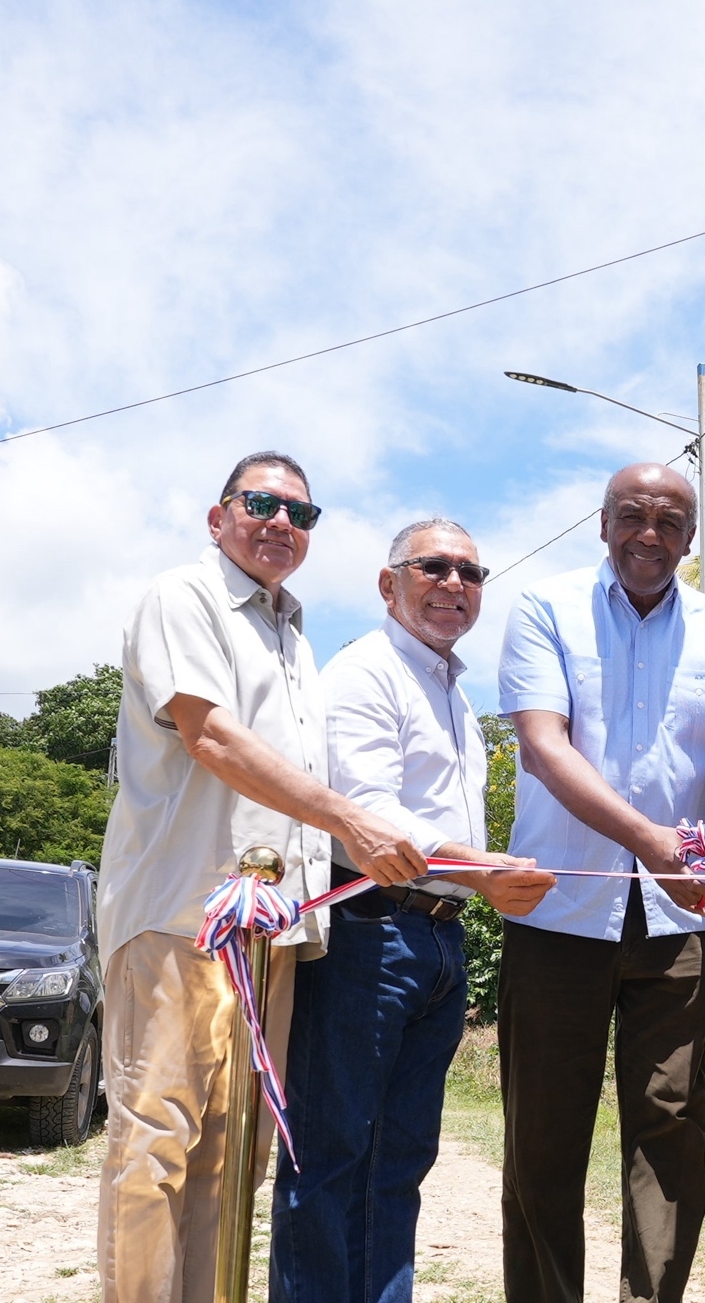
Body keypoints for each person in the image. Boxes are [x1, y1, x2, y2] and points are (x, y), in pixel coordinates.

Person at [96, 452, 429, 1303]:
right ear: (219, 517)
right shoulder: (185, 598)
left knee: (232, 1151)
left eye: (301, 515)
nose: (281, 523)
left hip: (271, 934)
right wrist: (349, 822)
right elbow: (211, 738)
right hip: (180, 918)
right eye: (261, 504)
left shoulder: (292, 636)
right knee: (156, 1147)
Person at [496, 461, 705, 1303]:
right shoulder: (545, 608)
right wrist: (650, 840)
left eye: (667, 521)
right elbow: (546, 748)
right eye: (630, 516)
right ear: (603, 521)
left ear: (690, 539)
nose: (647, 534)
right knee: (541, 1139)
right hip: (556, 913)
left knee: (669, 1130)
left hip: (681, 922)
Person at [269, 518, 556, 1303]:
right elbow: (370, 814)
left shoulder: (456, 692)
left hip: (437, 938)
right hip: (369, 933)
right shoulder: (365, 672)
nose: (454, 585)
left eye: (470, 572)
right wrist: (484, 871)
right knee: (330, 1158)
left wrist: (478, 879)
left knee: (399, 1161)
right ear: (387, 581)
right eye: (433, 567)